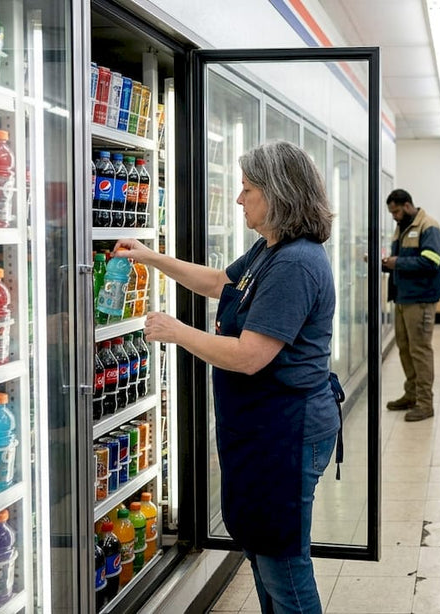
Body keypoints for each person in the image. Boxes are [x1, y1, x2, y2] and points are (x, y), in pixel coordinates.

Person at [115, 140, 339, 613]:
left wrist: (177, 332)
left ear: (277, 195)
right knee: (262, 545)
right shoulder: (270, 250)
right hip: (265, 429)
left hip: (288, 430)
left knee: (282, 558)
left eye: (247, 190)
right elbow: (220, 282)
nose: (239, 200)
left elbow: (249, 356)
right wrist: (151, 258)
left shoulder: (296, 264)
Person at [382, 189, 440, 422]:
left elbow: (431, 262)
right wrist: (384, 264)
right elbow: (401, 264)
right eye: (391, 212)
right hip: (402, 298)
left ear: (408, 205)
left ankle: (425, 403)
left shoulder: (429, 227)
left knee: (420, 351)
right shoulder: (402, 228)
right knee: (405, 348)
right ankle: (411, 395)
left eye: (396, 211)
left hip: (420, 299)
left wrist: (396, 262)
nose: (394, 216)